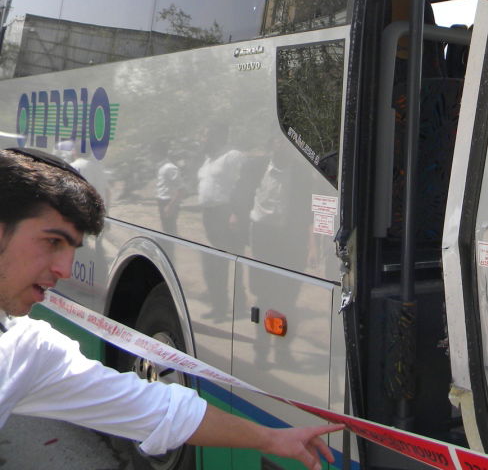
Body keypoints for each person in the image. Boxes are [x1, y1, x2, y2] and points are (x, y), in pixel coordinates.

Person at [0, 147, 340, 469]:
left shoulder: (25, 350)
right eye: (52, 242)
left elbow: (156, 408)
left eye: (72, 249)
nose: (65, 269)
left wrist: (271, 439)